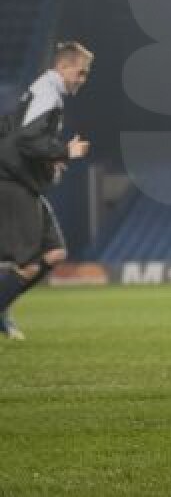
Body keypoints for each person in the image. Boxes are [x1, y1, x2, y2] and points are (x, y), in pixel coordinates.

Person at [0, 42, 93, 341]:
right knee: (27, 263)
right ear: (64, 67)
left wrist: (51, 158)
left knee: (54, 254)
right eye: (80, 73)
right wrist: (65, 151)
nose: (82, 79)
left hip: (23, 181)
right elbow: (27, 139)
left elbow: (13, 129)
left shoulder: (43, 91)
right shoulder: (48, 94)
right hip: (14, 183)